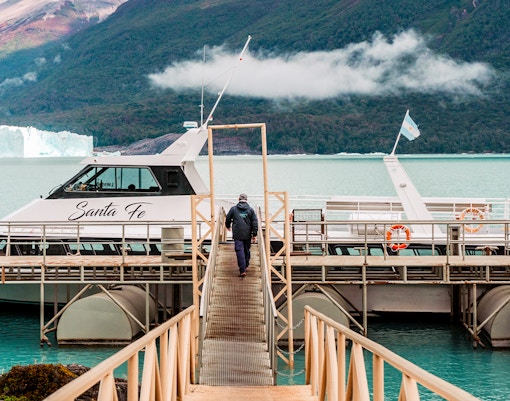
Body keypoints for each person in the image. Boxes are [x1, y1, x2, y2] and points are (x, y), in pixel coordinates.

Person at [225, 193, 258, 277]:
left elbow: (228, 218)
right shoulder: (250, 210)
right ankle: (246, 265)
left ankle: (242, 270)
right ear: (246, 200)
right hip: (247, 234)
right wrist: (254, 234)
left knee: (239, 251)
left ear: (238, 199)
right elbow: (254, 223)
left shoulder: (233, 209)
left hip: (237, 234)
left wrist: (228, 226)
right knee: (246, 250)